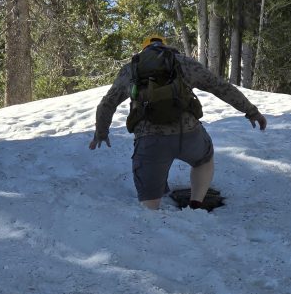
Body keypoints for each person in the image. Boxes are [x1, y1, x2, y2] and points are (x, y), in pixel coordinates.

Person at [89, 35, 267, 210]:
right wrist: (251, 111)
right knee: (204, 159)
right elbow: (220, 87)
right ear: (166, 46)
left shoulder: (131, 69)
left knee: (149, 205)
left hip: (150, 140)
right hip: (189, 135)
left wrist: (101, 132)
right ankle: (196, 202)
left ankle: (152, 210)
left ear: (144, 49)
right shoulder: (184, 63)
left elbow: (107, 104)